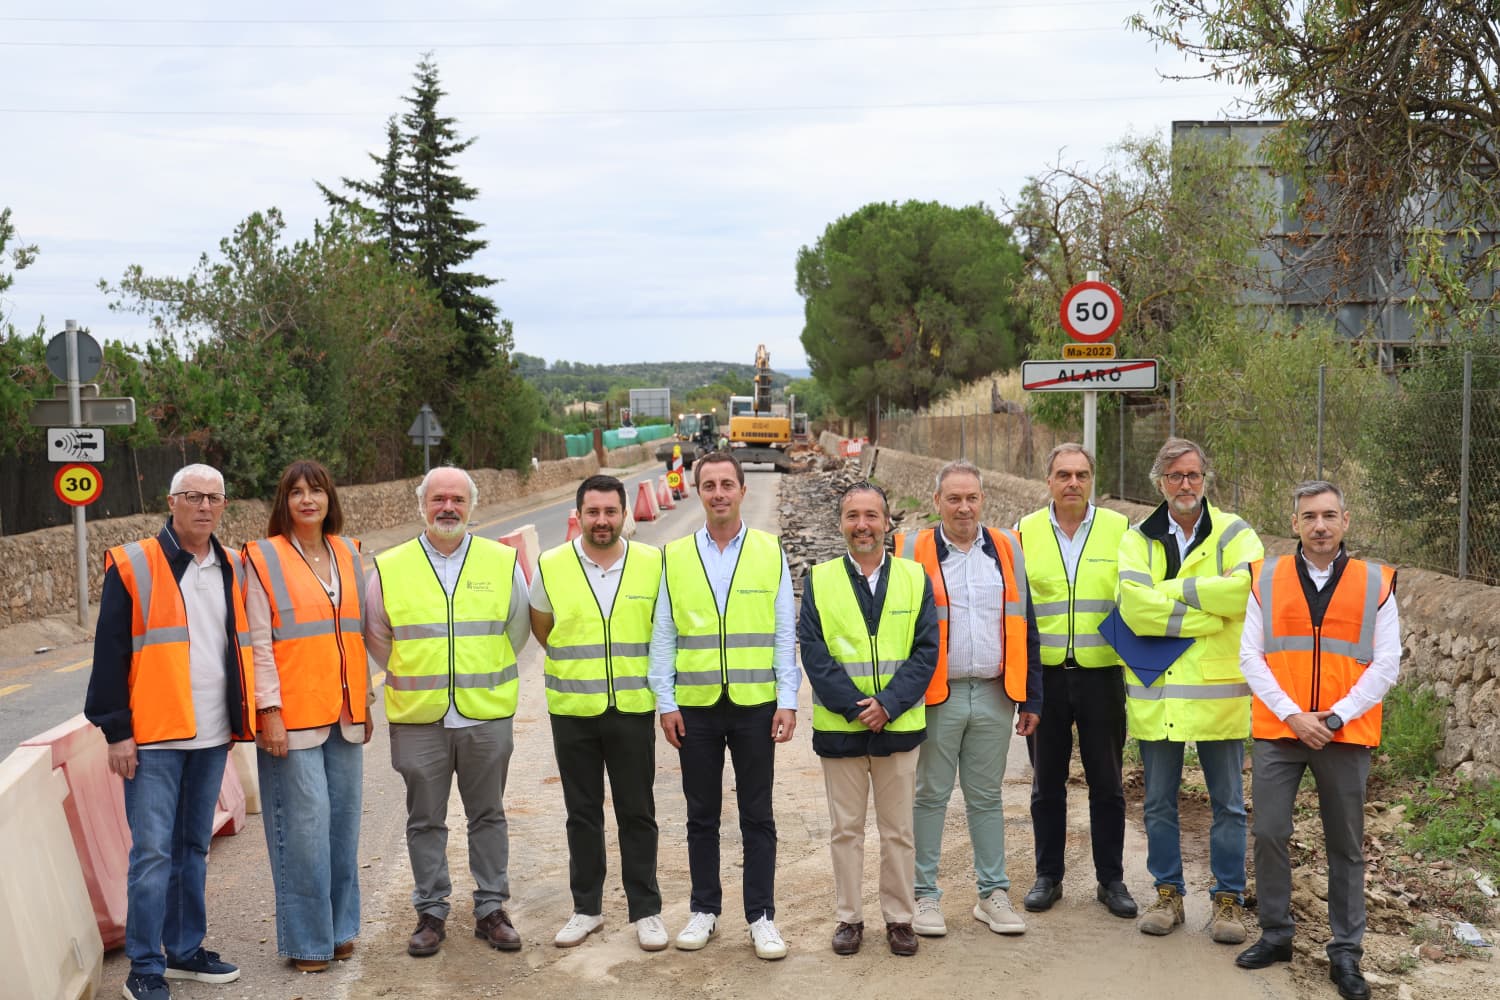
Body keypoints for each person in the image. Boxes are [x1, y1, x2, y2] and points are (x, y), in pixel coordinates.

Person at [85, 463, 254, 1000]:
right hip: (155, 739)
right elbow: (109, 652)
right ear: (172, 501)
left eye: (215, 498)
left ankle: (183, 951)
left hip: (211, 734)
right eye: (193, 496)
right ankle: (145, 966)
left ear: (224, 506)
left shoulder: (232, 565)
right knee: (153, 853)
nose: (205, 506)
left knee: (191, 847)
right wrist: (116, 731)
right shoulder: (134, 564)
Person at [1235, 482, 1398, 1000]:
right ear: (1295, 523)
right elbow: (1250, 657)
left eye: (1329, 515)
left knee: (1346, 847)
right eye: (1310, 516)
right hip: (1281, 732)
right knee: (1269, 833)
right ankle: (1277, 935)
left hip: (1344, 735)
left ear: (1346, 521)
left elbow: (1386, 663)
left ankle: (1346, 953)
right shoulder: (1267, 577)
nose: (1320, 525)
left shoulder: (1378, 583)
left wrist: (1333, 718)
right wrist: (1293, 715)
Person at [364, 466, 531, 956]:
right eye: (438, 499)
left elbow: (515, 631)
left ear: (471, 506)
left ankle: (490, 909)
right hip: (420, 716)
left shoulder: (503, 562)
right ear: (422, 505)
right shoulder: (391, 566)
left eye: (457, 499)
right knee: (424, 819)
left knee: (488, 815)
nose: (448, 508)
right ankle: (431, 911)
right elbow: (379, 636)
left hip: (485, 713)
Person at [648, 451, 798, 960]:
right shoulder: (674, 556)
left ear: (741, 490)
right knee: (701, 815)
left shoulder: (769, 550)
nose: (718, 493)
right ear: (697, 491)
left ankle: (761, 917)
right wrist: (665, 702)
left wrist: (789, 700)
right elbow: (663, 635)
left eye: (726, 484)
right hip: (696, 707)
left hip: (756, 704)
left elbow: (783, 633)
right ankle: (704, 910)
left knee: (758, 814)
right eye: (708, 485)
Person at [1117, 438, 1264, 942]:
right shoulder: (1138, 537)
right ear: (1160, 482)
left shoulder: (1234, 531)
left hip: (1218, 693)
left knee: (1227, 803)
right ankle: (1168, 895)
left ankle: (1228, 901)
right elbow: (1134, 608)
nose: (1186, 485)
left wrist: (1172, 590)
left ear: (1206, 480)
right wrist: (1208, 615)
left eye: (1194, 476)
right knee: (1158, 802)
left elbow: (1246, 592)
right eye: (1176, 476)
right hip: (1158, 693)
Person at [890, 460, 1041, 938]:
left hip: (996, 693)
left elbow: (1025, 624)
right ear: (936, 502)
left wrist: (1031, 697)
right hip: (937, 695)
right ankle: (924, 896)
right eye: (953, 498)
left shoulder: (1007, 547)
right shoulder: (913, 550)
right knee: (930, 795)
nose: (963, 507)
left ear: (983, 500)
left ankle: (992, 894)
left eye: (971, 497)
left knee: (986, 798)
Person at [242, 460, 373, 973]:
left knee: (342, 826)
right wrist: (268, 710)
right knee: (304, 829)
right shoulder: (264, 558)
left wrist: (364, 704)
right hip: (291, 716)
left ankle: (340, 931)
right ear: (284, 501)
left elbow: (356, 635)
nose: (307, 500)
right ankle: (307, 941)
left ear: (329, 498)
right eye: (296, 492)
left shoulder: (347, 551)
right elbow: (258, 641)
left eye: (316, 490)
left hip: (343, 711)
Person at [529, 475, 668, 952]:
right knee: (582, 814)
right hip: (573, 709)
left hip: (632, 707)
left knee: (637, 812)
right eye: (593, 512)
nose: (603, 521)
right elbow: (542, 627)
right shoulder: (551, 565)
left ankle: (646, 911)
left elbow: (662, 632)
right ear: (579, 515)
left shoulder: (653, 563)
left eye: (611, 512)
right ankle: (586, 909)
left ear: (625, 513)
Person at [800, 482, 939, 957]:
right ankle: (849, 918)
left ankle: (900, 919)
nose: (862, 525)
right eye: (853, 516)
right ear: (841, 523)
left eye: (871, 516)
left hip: (897, 727)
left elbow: (926, 652)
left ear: (887, 523)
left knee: (899, 830)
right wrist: (859, 707)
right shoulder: (818, 580)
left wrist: (889, 704)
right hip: (842, 729)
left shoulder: (915, 578)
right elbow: (815, 656)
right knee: (846, 831)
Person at [1017, 444, 1136, 919]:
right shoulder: (1024, 532)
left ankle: (1112, 880)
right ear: (1048, 480)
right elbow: (1016, 609)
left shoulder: (1120, 529)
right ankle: (1049, 876)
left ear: (1092, 480)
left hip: (1102, 672)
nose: (1072, 482)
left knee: (1107, 783)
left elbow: (1138, 597)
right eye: (1063, 474)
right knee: (1047, 784)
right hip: (1044, 678)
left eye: (1081, 474)